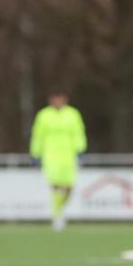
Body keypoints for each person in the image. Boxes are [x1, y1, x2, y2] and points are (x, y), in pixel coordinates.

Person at [29, 91, 87, 231]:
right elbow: (38, 135)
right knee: (54, 186)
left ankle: (59, 209)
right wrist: (35, 153)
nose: (57, 101)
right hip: (51, 156)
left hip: (68, 156)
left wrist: (80, 150)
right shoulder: (43, 115)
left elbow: (79, 133)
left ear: (65, 99)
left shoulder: (73, 114)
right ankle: (58, 216)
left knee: (68, 188)